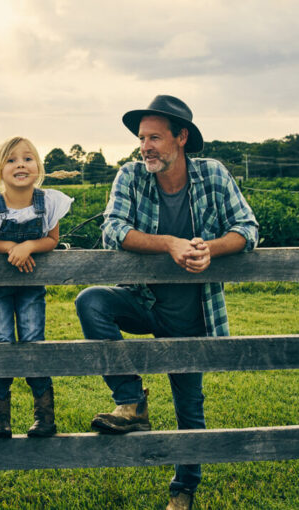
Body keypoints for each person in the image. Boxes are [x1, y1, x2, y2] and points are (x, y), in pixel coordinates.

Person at [75, 95, 258, 510]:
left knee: (189, 410)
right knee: (92, 302)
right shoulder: (130, 176)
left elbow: (247, 228)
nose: (146, 147)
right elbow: (113, 230)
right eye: (142, 138)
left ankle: (183, 490)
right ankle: (131, 400)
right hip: (143, 299)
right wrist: (169, 244)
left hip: (193, 315)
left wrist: (210, 249)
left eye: (155, 137)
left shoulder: (212, 174)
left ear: (181, 137)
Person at [0, 136, 73, 438]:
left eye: (28, 159)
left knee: (33, 341)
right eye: (12, 160)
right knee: (0, 341)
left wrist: (29, 245)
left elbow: (52, 240)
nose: (21, 164)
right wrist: (8, 248)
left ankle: (44, 416)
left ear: (38, 167)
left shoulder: (49, 203)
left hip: (31, 286)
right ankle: (0, 417)